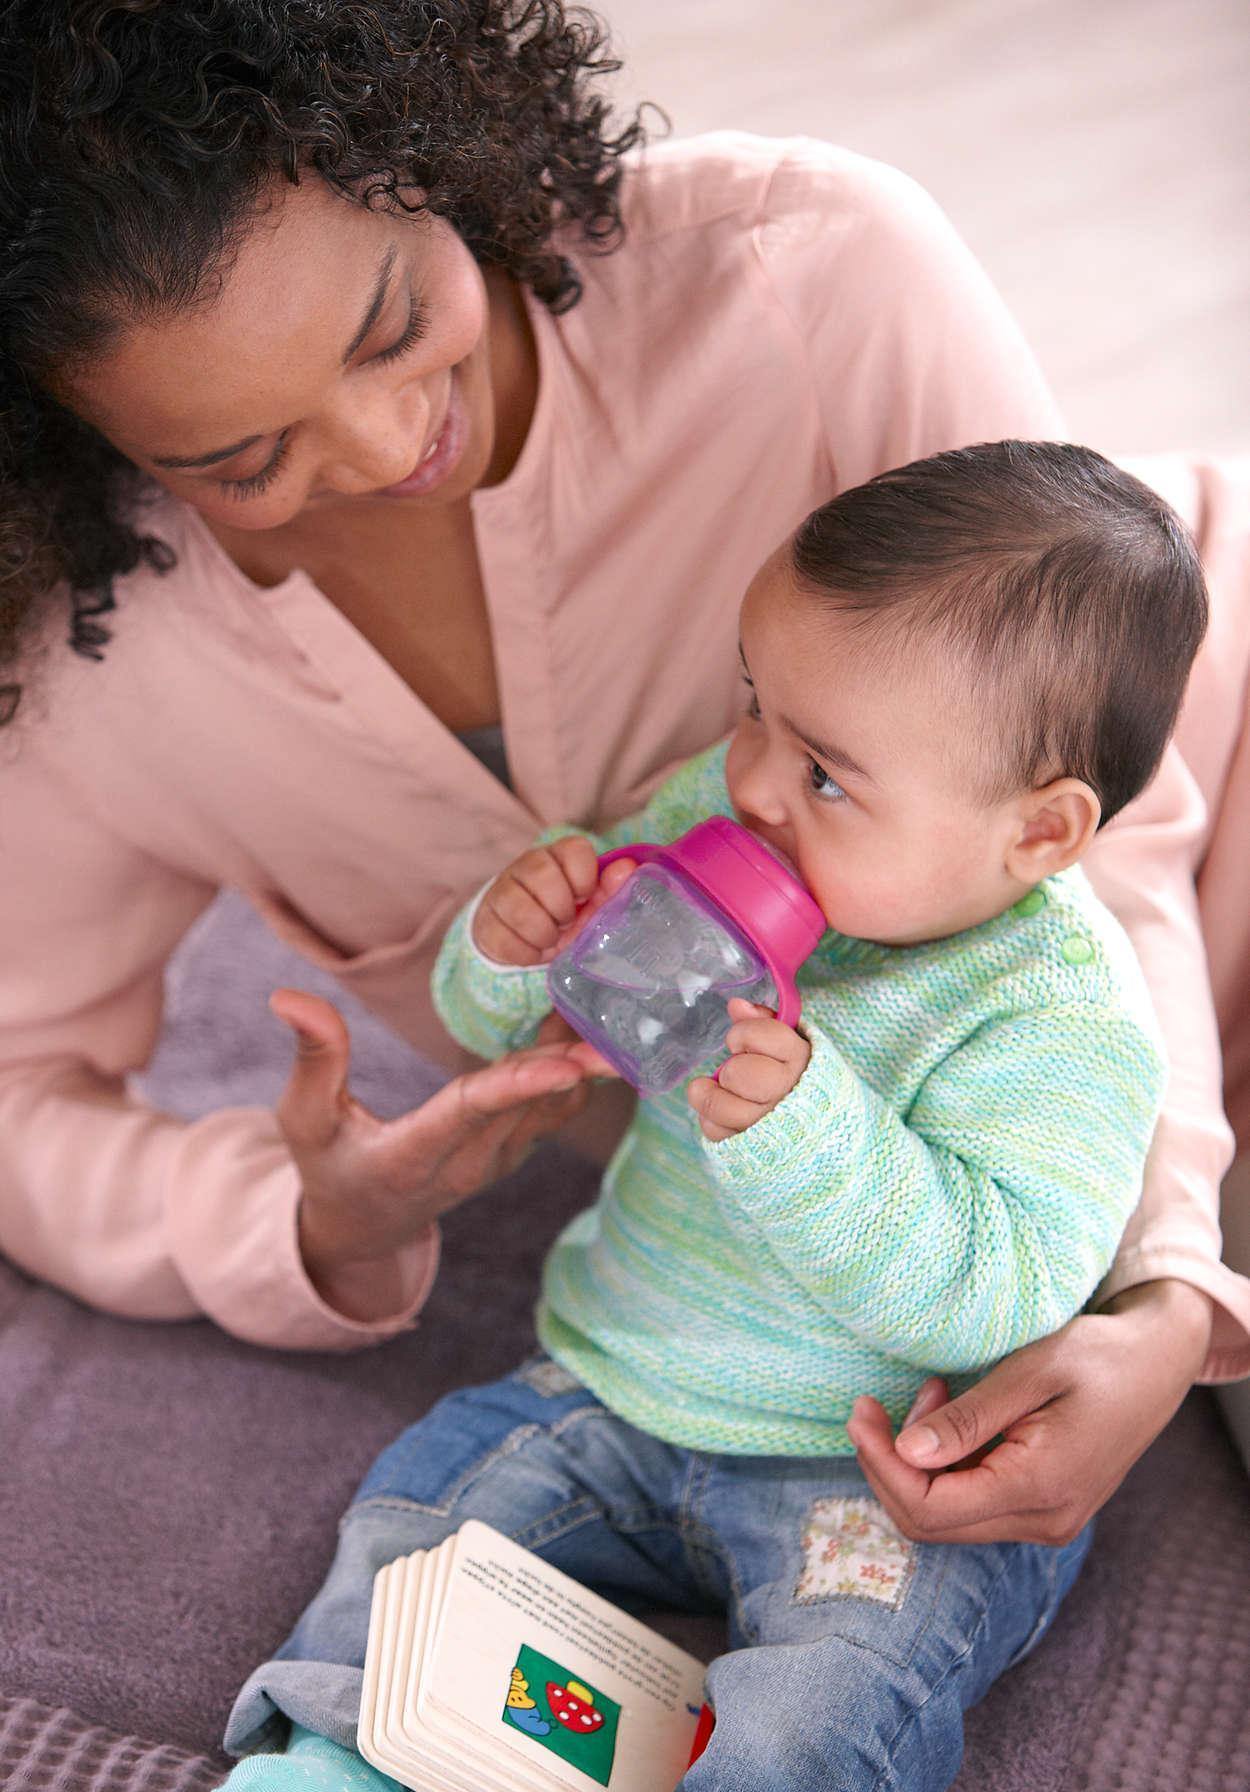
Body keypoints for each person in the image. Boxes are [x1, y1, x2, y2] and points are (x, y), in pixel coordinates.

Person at [0, 0, 1246, 1557]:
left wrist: (1165, 1284)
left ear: (423, 146)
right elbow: (17, 1089)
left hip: (1187, 838)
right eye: (238, 460)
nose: (391, 442)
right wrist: (310, 1217)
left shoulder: (810, 275)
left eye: (394, 323)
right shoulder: (98, 667)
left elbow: (1097, 842)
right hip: (850, 1241)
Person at [210, 441, 1205, 1792]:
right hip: (619, 1379)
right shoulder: (720, 813)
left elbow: (993, 1299)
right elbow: (553, 1034)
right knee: (423, 1518)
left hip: (862, 1468)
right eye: (754, 706)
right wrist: (513, 945)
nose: (746, 779)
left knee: (840, 1692)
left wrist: (806, 1128)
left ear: (1035, 831)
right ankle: (335, 1764)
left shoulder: (1063, 1021)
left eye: (825, 773)